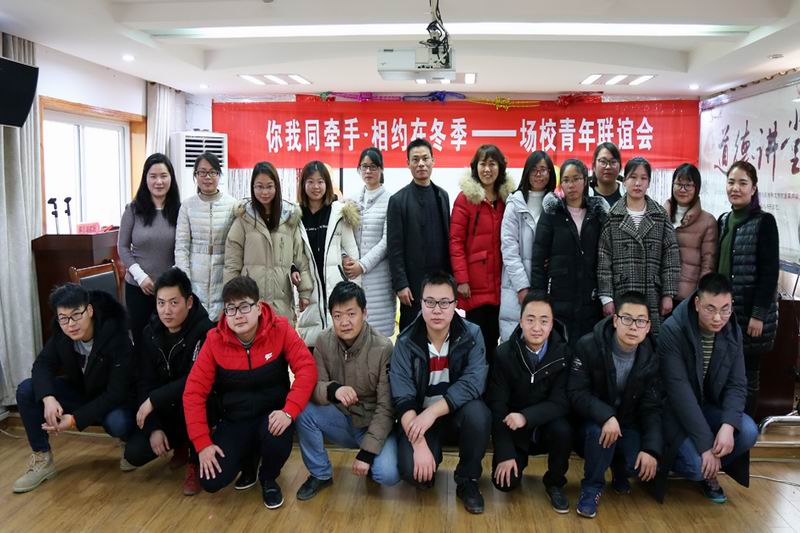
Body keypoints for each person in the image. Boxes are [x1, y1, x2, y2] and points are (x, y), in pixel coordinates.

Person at [183, 276, 317, 509]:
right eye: (231, 309)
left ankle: (268, 478)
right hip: (235, 419)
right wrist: (202, 443)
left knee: (276, 436)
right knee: (211, 481)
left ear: (259, 307)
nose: (238, 315)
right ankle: (249, 464)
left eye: (244, 306)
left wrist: (289, 411)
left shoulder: (280, 328)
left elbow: (307, 368)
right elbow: (193, 392)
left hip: (272, 417)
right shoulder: (214, 340)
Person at [13, 284, 135, 493]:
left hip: (113, 402)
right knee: (27, 389)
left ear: (89, 310)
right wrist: (48, 397)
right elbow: (42, 364)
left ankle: (127, 443)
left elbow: (117, 392)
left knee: (119, 422)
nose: (71, 324)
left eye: (76, 315)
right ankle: (42, 458)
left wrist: (74, 419)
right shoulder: (62, 334)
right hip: (81, 393)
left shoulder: (116, 335)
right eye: (64, 318)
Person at [390, 272, 491, 514]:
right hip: (420, 419)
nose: (437, 310)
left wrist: (433, 412)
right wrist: (419, 444)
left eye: (444, 303)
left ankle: (467, 479)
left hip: (455, 414)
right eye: (430, 302)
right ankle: (430, 461)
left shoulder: (472, 334)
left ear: (455, 304)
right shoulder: (405, 341)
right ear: (421, 303)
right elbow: (402, 398)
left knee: (479, 414)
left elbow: (474, 382)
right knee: (415, 474)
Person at [655, 273, 758, 504]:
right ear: (697, 303)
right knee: (695, 465)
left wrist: (728, 425)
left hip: (708, 407)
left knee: (748, 431)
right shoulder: (673, 329)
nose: (718, 317)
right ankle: (669, 464)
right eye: (710, 309)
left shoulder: (732, 330)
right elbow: (679, 394)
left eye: (725, 309)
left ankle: (709, 468)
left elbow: (737, 383)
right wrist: (705, 446)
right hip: (673, 411)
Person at [295, 281, 399, 500]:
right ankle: (320, 474)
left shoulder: (382, 347)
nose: (344, 322)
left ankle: (372, 458)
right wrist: (334, 390)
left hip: (372, 423)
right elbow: (313, 387)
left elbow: (387, 407)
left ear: (364, 313)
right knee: (303, 409)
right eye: (338, 315)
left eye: (351, 314)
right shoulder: (323, 341)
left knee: (387, 474)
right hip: (342, 419)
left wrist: (367, 453)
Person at [568, 291, 662, 519]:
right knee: (600, 433)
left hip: (627, 424)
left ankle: (620, 469)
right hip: (591, 424)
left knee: (638, 464)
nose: (633, 327)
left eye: (640, 321)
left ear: (648, 327)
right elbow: (576, 392)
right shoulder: (588, 345)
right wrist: (606, 416)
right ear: (615, 320)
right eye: (627, 319)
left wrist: (651, 449)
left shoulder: (651, 356)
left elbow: (651, 407)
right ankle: (592, 487)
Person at [123, 267, 215, 496]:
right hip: (168, 410)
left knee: (199, 402)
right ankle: (180, 444)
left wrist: (154, 400)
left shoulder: (206, 331)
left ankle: (195, 460)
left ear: (189, 302)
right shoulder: (150, 332)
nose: (166, 310)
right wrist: (154, 427)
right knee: (134, 453)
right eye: (161, 303)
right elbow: (144, 381)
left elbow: (195, 380)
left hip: (200, 407)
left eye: (174, 303)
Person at [487, 294, 572, 513]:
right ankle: (516, 458)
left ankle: (555, 482)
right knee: (504, 483)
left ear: (552, 324)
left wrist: (526, 417)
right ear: (521, 321)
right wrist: (505, 453)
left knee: (563, 429)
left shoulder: (564, 353)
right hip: (514, 429)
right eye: (530, 319)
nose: (536, 327)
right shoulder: (504, 354)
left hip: (546, 426)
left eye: (544, 321)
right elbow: (497, 406)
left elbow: (561, 402)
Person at [716, 160, 779, 416]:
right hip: (724, 313)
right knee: (723, 371)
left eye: (743, 183)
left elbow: (769, 273)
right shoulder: (723, 220)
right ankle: (725, 423)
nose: (736, 188)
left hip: (750, 314)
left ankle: (745, 426)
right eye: (731, 182)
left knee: (747, 374)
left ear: (753, 189)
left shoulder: (764, 222)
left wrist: (758, 314)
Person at [597, 157, 680, 335]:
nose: (638, 183)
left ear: (649, 182)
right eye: (633, 177)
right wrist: (606, 297)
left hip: (652, 292)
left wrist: (668, 294)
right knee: (624, 337)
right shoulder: (613, 216)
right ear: (624, 180)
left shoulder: (659, 215)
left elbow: (671, 256)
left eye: (643, 178)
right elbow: (604, 258)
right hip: (622, 291)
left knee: (650, 339)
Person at [531, 158, 609, 346]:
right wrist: (538, 299)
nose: (571, 185)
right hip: (559, 296)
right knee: (560, 348)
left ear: (585, 181)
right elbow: (539, 259)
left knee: (588, 350)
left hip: (590, 296)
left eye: (576, 179)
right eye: (566, 180)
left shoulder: (597, 214)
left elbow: (606, 256)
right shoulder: (552, 213)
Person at [224, 161, 313, 325]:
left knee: (281, 337)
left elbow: (301, 258)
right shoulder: (244, 218)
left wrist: (305, 292)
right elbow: (232, 263)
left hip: (282, 300)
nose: (264, 192)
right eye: (259, 186)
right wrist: (230, 298)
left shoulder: (289, 218)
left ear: (276, 186)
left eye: (269, 186)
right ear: (252, 187)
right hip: (250, 301)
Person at [450, 144, 515, 365]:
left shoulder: (508, 199)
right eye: (483, 164)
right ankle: (476, 384)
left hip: (501, 284)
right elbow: (456, 242)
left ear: (500, 167)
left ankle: (494, 383)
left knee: (498, 340)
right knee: (477, 343)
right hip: (475, 285)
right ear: (475, 167)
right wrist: (462, 280)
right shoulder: (465, 198)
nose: (487, 169)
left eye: (492, 164)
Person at [118, 153, 181, 354]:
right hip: (138, 287)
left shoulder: (180, 211)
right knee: (141, 341)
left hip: (169, 289)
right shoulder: (133, 210)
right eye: (153, 176)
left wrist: (168, 278)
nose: (158, 182)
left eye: (163, 176)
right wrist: (141, 277)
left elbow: (183, 248)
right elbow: (122, 247)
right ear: (145, 179)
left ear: (171, 178)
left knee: (169, 340)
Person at [387, 139, 451, 332]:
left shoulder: (442, 195)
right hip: (412, 287)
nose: (421, 164)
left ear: (433, 161)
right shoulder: (398, 200)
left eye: (425, 158)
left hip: (440, 282)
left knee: (440, 333)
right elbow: (394, 247)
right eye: (415, 160)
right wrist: (401, 284)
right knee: (412, 335)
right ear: (408, 164)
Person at [296, 160, 361, 347]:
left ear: (327, 184)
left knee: (342, 348)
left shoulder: (339, 213)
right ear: (303, 185)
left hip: (338, 288)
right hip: (309, 291)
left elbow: (352, 254)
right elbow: (292, 254)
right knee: (312, 348)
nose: (316, 187)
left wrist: (356, 298)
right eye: (310, 182)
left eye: (320, 181)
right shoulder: (295, 216)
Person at [499, 151, 556, 341]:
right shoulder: (515, 203)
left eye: (543, 169)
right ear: (527, 172)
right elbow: (509, 249)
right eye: (534, 170)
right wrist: (522, 286)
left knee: (543, 338)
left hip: (547, 283)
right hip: (516, 285)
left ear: (550, 173)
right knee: (515, 339)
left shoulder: (555, 204)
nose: (539, 174)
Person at [175, 151, 238, 321]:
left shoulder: (232, 205)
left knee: (222, 324)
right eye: (202, 172)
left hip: (223, 273)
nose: (207, 177)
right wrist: (185, 280)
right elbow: (181, 247)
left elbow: (237, 246)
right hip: (195, 277)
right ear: (196, 175)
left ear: (219, 174)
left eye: (212, 172)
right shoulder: (187, 206)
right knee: (197, 323)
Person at [344, 147, 396, 337]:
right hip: (354, 278)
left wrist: (363, 265)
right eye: (364, 167)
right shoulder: (350, 201)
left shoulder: (391, 200)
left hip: (380, 279)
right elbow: (342, 237)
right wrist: (345, 258)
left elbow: (387, 241)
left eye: (373, 166)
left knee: (379, 338)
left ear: (381, 169)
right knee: (354, 335)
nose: (368, 171)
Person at [663, 164, 718, 303]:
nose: (683, 189)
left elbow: (708, 265)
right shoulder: (660, 215)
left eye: (688, 185)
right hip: (661, 294)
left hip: (688, 298)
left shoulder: (708, 221)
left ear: (696, 188)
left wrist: (699, 296)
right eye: (679, 184)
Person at [587, 142, 626, 207]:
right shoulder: (584, 195)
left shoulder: (627, 194)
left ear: (620, 166)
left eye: (613, 162)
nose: (608, 167)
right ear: (594, 166)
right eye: (603, 161)